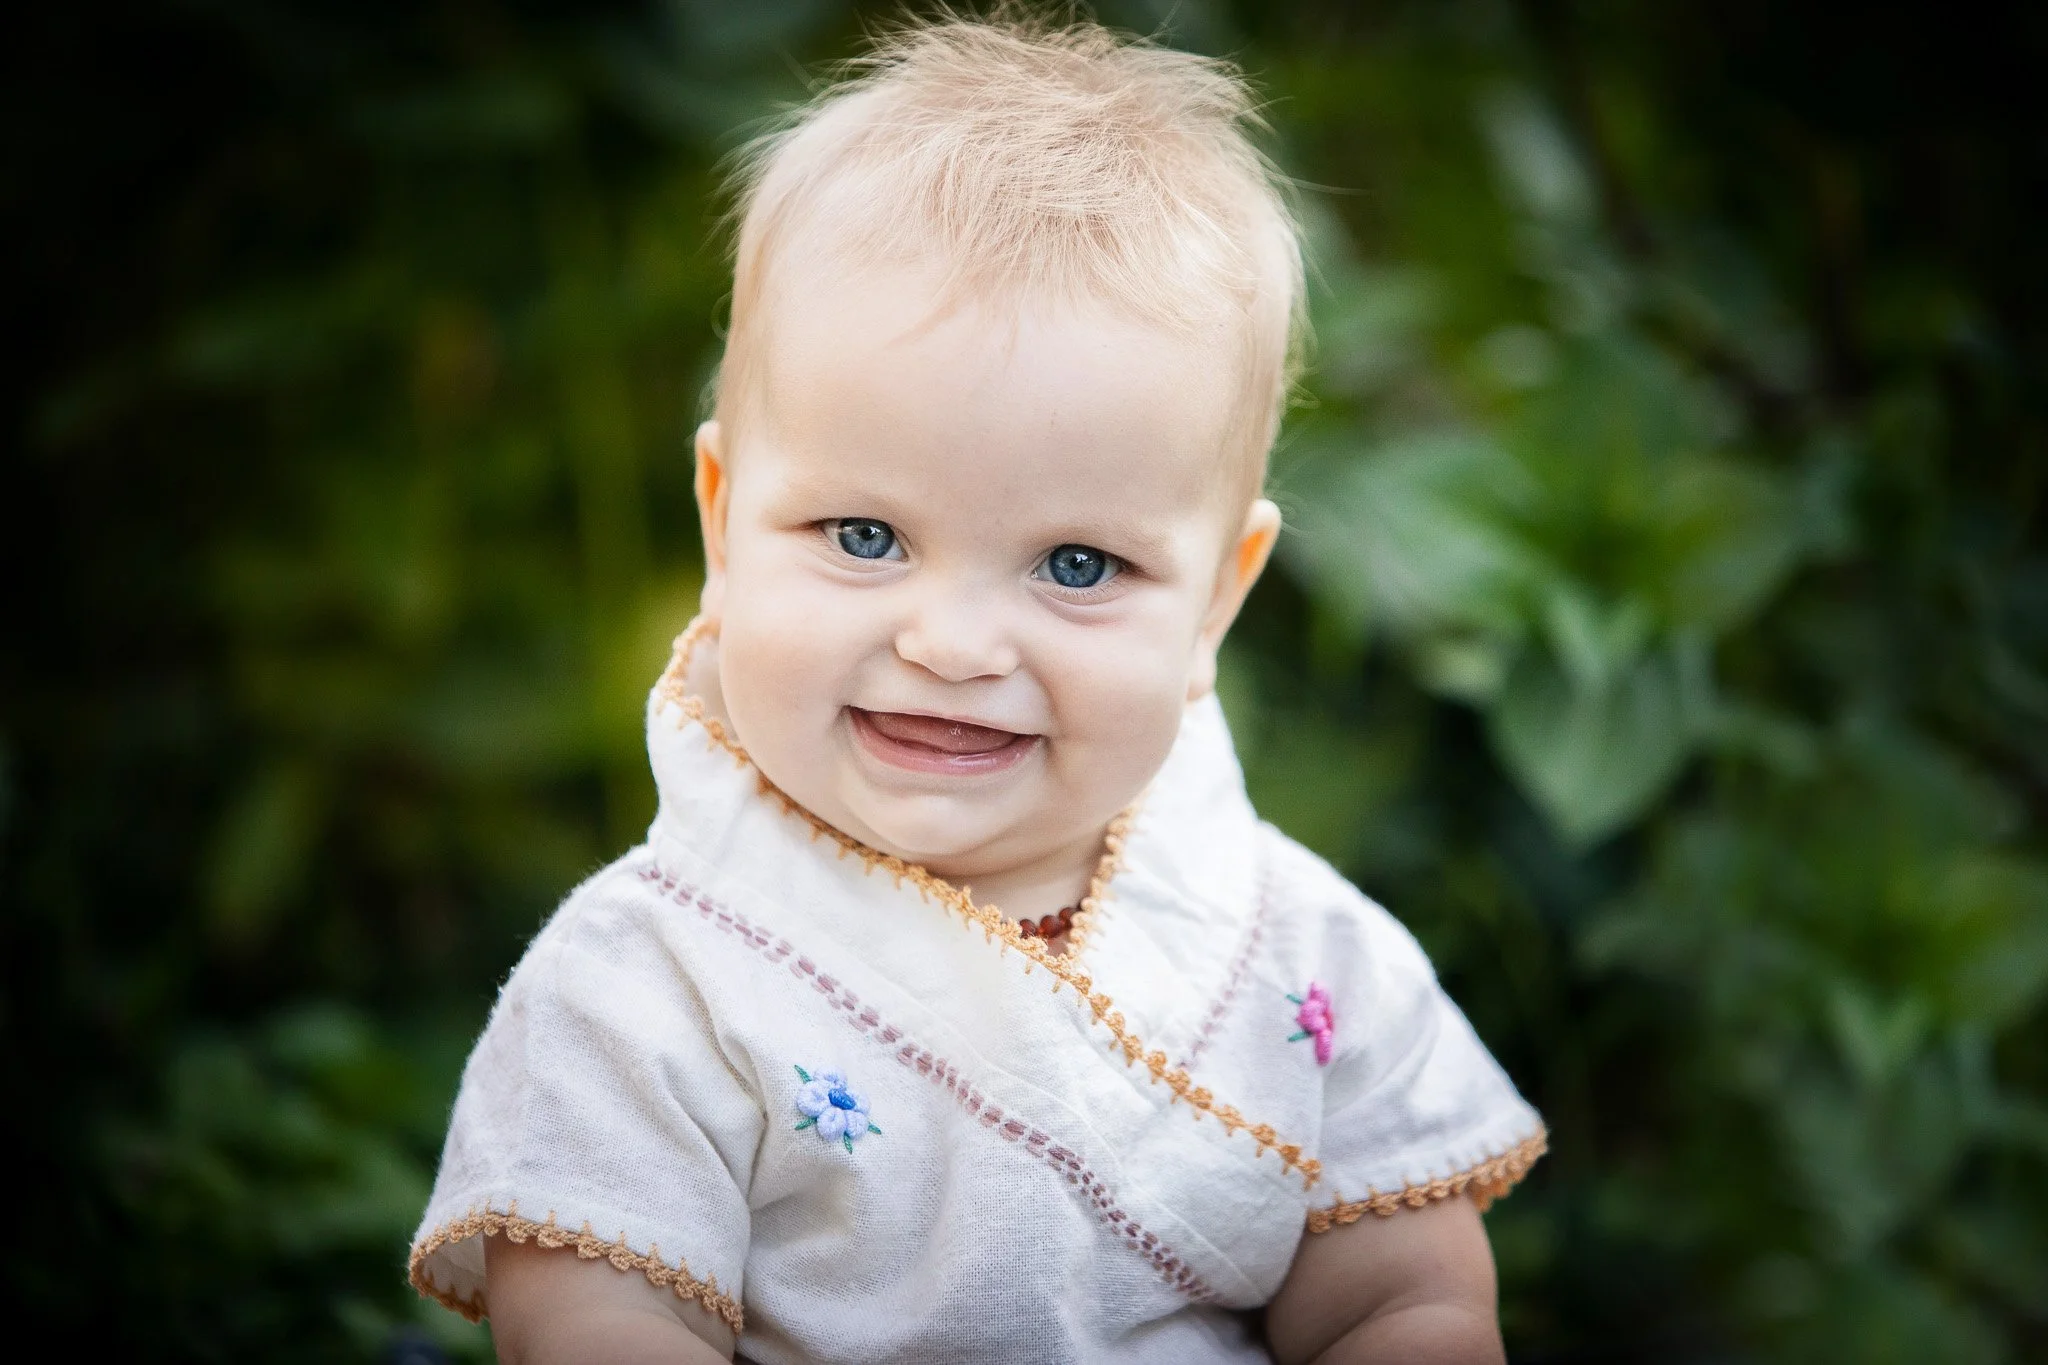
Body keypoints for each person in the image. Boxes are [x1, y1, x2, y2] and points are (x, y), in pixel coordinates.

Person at [408, 12, 1545, 1363]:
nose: (951, 643)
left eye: (1076, 563)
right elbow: (595, 1325)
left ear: (1217, 603)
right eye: (865, 537)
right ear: (723, 526)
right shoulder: (650, 987)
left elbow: (1402, 1298)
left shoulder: (1294, 952)